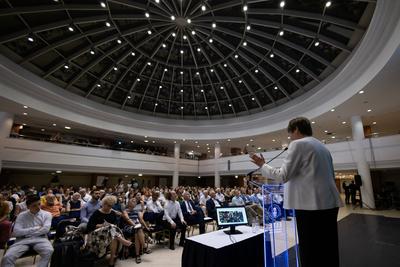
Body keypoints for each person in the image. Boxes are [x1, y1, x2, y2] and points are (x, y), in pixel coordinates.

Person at [250, 117, 342, 267]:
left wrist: (263, 165)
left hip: (310, 206)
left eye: (290, 133)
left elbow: (282, 176)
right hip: (329, 204)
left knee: (311, 252)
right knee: (328, 250)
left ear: (296, 129)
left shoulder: (298, 144)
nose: (290, 137)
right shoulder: (322, 147)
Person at [1, 194, 54, 267]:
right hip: (22, 240)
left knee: (49, 251)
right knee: (7, 257)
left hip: (40, 238)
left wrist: (26, 233)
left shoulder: (47, 214)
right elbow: (16, 232)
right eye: (34, 205)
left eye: (39, 204)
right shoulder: (21, 215)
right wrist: (36, 228)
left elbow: (45, 230)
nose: (38, 207)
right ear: (28, 207)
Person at [86, 195, 132, 267]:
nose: (109, 208)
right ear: (103, 204)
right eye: (108, 206)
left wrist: (108, 226)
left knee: (113, 237)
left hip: (110, 234)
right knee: (111, 228)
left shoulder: (112, 213)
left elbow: (116, 225)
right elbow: (89, 226)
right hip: (96, 234)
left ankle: (111, 261)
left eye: (111, 206)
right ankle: (122, 239)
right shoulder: (97, 213)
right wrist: (102, 226)